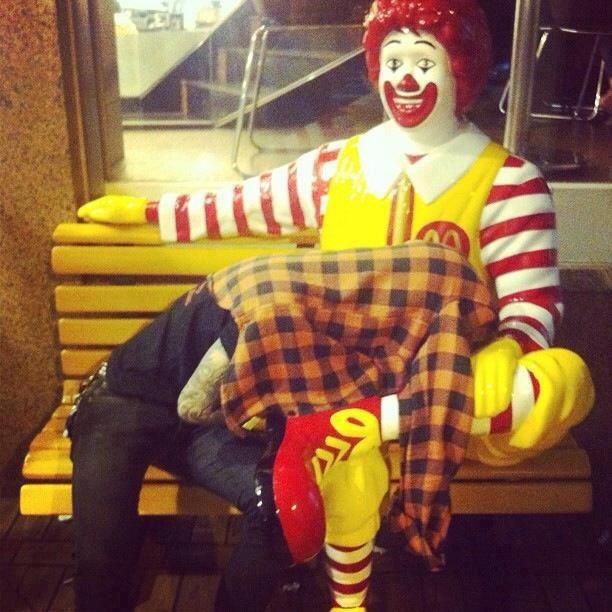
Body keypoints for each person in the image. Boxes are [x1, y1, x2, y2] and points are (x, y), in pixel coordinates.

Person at [76, 0, 595, 608]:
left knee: (559, 381)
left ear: (461, 67)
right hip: (342, 378)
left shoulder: (509, 182)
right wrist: (146, 212)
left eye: (424, 62)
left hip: (449, 374)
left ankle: (375, 424)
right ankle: (348, 592)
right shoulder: (339, 166)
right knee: (342, 465)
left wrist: (512, 346)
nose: (406, 78)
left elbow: (533, 306)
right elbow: (239, 206)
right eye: (393, 61)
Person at [67, 241, 504, 611]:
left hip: (208, 425)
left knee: (283, 509)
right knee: (100, 563)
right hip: (123, 398)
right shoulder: (275, 298)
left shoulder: (351, 312)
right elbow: (192, 403)